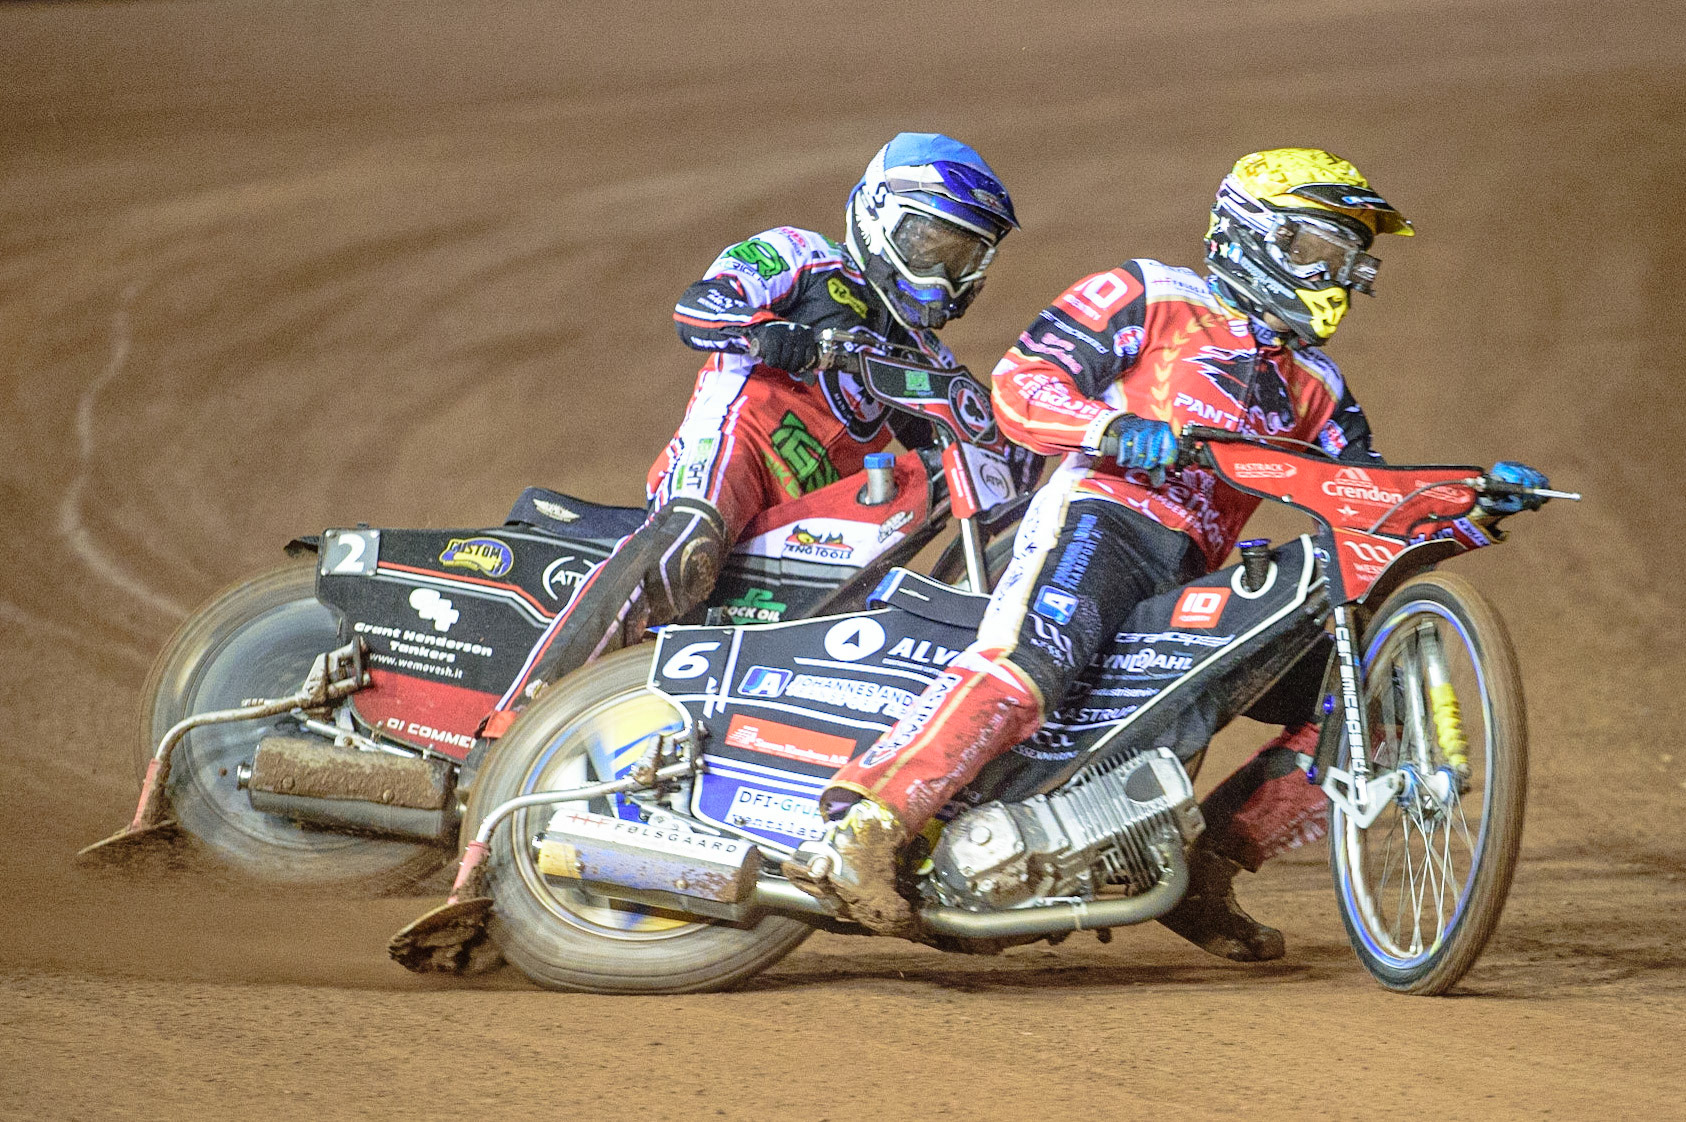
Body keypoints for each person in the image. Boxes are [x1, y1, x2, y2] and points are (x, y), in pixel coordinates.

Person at [784, 147, 1550, 954]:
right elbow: (1019, 385)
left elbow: (1365, 508)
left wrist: (1467, 507)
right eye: (1316, 250)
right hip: (1101, 519)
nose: (1334, 275)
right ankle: (862, 826)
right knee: (1032, 664)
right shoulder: (1149, 294)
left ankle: (1209, 864)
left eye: (1348, 259)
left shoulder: (1320, 387)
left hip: (1195, 570)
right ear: (1253, 235)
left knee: (1370, 704)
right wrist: (1113, 428)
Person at [479, 133, 1019, 738]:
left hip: (807, 516)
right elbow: (699, 307)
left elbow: (974, 439)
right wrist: (769, 334)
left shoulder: (921, 358)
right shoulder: (803, 256)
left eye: (967, 258)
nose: (946, 275)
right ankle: (516, 724)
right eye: (933, 245)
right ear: (879, 217)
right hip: (733, 448)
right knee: (691, 548)